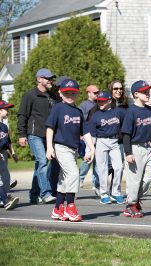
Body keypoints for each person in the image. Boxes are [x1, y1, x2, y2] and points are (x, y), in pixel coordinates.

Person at [46, 78, 95, 222]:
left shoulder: (78, 111)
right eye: (66, 93)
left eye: (73, 93)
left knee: (64, 178)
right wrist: (49, 147)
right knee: (73, 173)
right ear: (60, 94)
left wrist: (92, 148)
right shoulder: (58, 108)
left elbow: (85, 131)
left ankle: (58, 208)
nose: (69, 95)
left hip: (73, 149)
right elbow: (50, 128)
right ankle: (70, 207)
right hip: (60, 146)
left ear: (78, 94)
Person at [17, 68, 58, 204]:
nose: (50, 80)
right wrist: (22, 134)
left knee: (40, 164)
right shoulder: (30, 95)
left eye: (51, 78)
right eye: (47, 78)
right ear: (39, 79)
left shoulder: (52, 96)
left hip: (48, 135)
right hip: (35, 135)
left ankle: (34, 194)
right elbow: (22, 115)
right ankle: (45, 193)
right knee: (43, 161)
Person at [121, 80, 151, 218]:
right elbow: (126, 134)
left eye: (148, 91)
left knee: (150, 176)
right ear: (136, 94)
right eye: (144, 91)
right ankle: (131, 205)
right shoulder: (131, 111)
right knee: (134, 179)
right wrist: (128, 152)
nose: (148, 93)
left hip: (147, 148)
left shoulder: (150, 111)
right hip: (135, 148)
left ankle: (134, 200)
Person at [88, 91, 125, 205]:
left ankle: (116, 192)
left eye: (103, 101)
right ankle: (104, 194)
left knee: (119, 167)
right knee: (102, 169)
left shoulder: (118, 112)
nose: (100, 103)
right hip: (101, 142)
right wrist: (90, 150)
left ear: (109, 100)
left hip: (114, 142)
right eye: (99, 101)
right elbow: (92, 135)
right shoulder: (96, 115)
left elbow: (127, 124)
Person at [78, 85, 100, 193]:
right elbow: (79, 120)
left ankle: (96, 185)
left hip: (99, 134)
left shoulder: (99, 104)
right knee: (88, 159)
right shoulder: (84, 105)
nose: (97, 94)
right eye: (95, 93)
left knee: (98, 160)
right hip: (88, 135)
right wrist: (80, 133)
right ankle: (79, 180)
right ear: (88, 93)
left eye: (98, 92)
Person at [0, 100, 19, 210]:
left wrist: (13, 152)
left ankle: (4, 196)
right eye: (6, 109)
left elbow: (8, 141)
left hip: (3, 153)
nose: (8, 111)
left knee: (6, 176)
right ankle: (5, 200)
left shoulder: (4, 126)